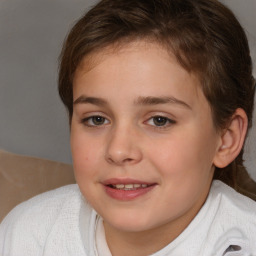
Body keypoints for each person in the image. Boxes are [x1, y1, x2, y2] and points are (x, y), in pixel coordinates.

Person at [0, 0, 256, 255]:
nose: (119, 150)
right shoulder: (30, 235)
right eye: (96, 119)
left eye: (159, 120)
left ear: (226, 138)